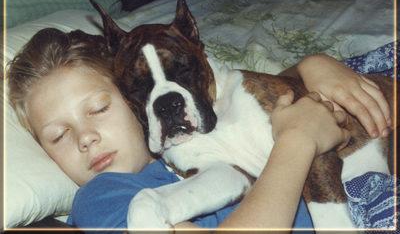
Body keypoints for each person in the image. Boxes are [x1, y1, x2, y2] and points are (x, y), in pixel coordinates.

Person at [6, 28, 391, 233]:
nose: (85, 137)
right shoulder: (103, 198)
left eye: (99, 109)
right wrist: (299, 139)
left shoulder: (190, 135)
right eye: (57, 136)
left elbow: (249, 95)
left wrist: (312, 65)